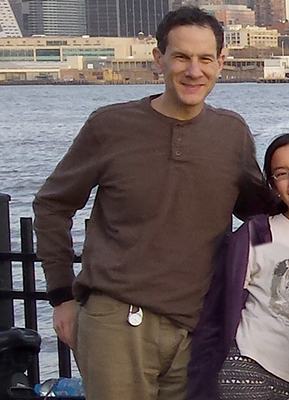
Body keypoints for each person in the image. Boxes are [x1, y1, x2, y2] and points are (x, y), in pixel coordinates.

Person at [32, 7, 273, 400]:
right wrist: (61, 296)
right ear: (159, 58)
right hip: (116, 324)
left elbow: (261, 219)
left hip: (199, 330)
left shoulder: (232, 134)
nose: (193, 71)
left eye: (205, 59)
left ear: (220, 63)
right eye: (181, 57)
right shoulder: (110, 126)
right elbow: (52, 206)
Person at [187, 133, 289, 400]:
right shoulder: (262, 233)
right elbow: (219, 307)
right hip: (248, 367)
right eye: (282, 173)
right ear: (273, 185)